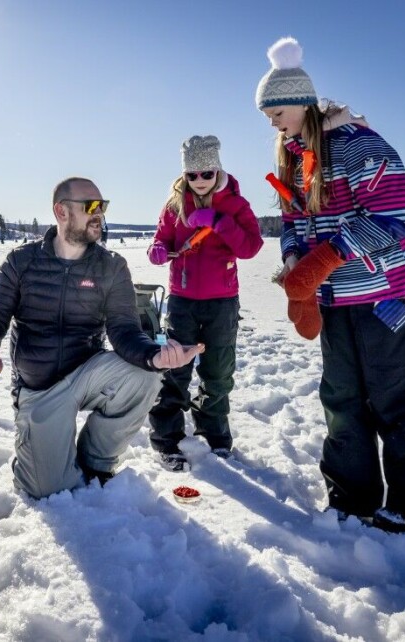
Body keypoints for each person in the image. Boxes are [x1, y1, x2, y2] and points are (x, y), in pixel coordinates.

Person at [255, 37, 405, 536]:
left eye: (277, 112)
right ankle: (352, 496)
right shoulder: (294, 159)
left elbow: (393, 216)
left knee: (397, 399)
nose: (272, 122)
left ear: (302, 102)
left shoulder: (358, 145)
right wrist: (296, 263)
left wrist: (326, 257)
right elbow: (292, 220)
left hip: (385, 298)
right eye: (267, 115)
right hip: (335, 301)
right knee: (341, 400)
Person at [0, 177, 204, 499]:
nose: (99, 213)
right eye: (91, 206)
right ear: (61, 212)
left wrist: (153, 355)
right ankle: (39, 457)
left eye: (102, 206)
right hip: (39, 388)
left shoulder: (111, 266)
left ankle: (96, 462)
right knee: (46, 489)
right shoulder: (22, 261)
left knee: (145, 375)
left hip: (87, 375)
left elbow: (125, 329)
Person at [146, 135, 264, 471]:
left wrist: (219, 223)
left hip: (222, 303)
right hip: (182, 301)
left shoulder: (235, 204)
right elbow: (160, 241)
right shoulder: (175, 206)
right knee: (175, 368)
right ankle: (166, 438)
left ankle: (214, 433)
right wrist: (157, 251)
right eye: (192, 174)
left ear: (217, 169)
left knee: (218, 371)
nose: (199, 180)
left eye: (206, 173)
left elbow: (250, 247)